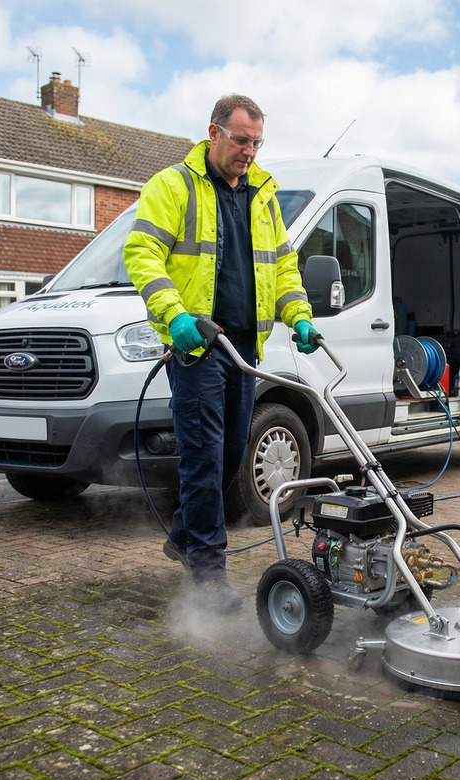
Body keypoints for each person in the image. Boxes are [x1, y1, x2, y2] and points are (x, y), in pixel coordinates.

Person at [124, 94, 320, 614]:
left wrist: (298, 315)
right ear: (213, 133)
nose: (249, 151)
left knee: (233, 452)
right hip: (197, 346)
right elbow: (141, 253)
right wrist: (174, 316)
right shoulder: (174, 186)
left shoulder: (263, 196)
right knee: (203, 457)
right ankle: (208, 574)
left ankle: (185, 533)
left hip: (244, 348)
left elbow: (282, 266)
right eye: (240, 140)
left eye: (257, 142)